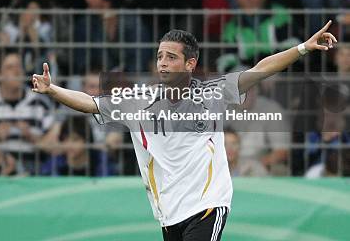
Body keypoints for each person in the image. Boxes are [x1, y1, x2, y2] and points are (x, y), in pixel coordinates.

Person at [32, 22, 337, 240]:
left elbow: (260, 69)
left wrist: (302, 48)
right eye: (160, 56)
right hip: (168, 212)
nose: (162, 63)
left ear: (191, 63)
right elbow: (90, 104)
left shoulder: (213, 94)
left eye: (171, 57)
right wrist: (52, 90)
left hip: (207, 204)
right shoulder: (136, 103)